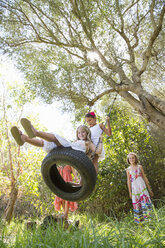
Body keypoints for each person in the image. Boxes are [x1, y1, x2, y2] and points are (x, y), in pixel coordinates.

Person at [10, 118, 103, 160]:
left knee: (55, 138)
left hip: (70, 150)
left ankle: (35, 132)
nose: (81, 134)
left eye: (83, 132)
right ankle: (25, 138)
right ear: (77, 135)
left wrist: (101, 140)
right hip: (67, 147)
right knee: (44, 143)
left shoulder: (88, 143)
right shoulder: (76, 141)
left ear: (87, 133)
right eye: (79, 133)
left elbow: (98, 151)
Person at [126, 152, 153, 224]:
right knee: (137, 203)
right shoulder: (128, 170)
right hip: (135, 188)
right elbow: (128, 181)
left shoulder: (139, 167)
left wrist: (149, 189)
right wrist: (130, 192)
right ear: (128, 159)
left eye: (133, 158)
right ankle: (140, 222)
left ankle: (149, 219)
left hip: (142, 186)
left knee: (145, 201)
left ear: (135, 158)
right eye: (130, 158)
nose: (131, 159)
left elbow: (144, 177)